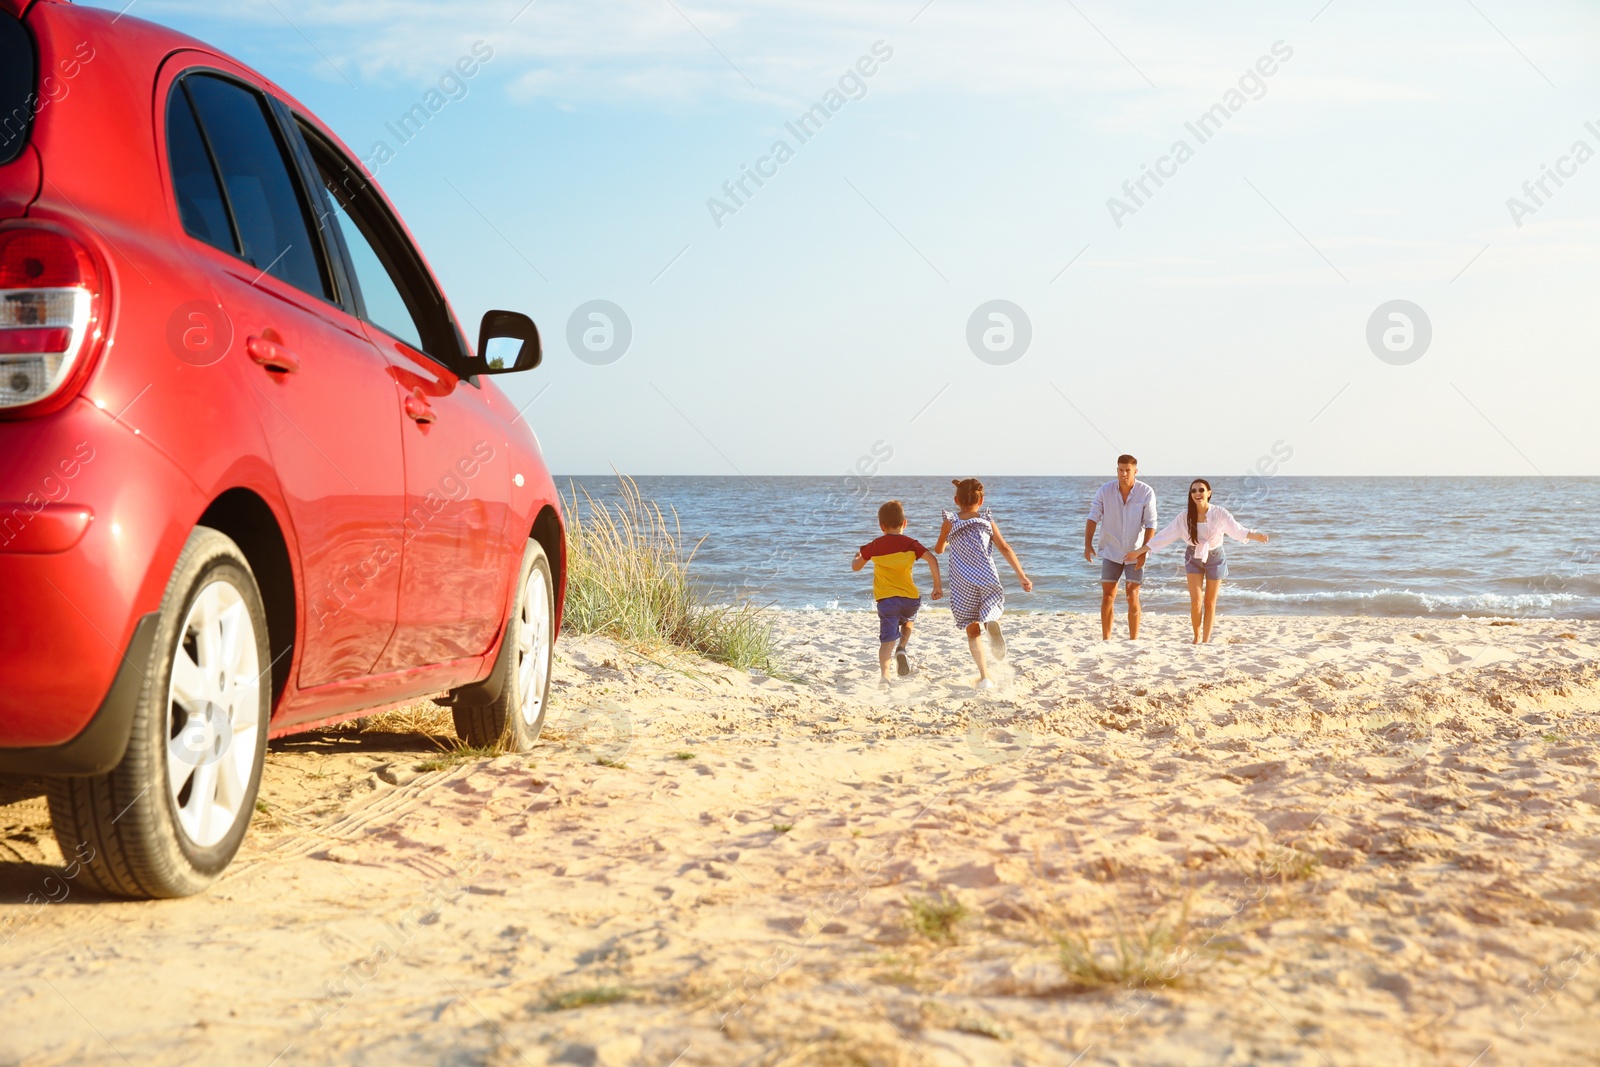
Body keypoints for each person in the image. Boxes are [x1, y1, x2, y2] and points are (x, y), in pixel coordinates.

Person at [1125, 478, 1269, 644]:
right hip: (1193, 557)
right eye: (1193, 491)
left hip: (1215, 557)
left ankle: (1206, 640)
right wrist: (1139, 552)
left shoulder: (1219, 513)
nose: (1197, 493)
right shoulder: (1184, 516)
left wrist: (1255, 536)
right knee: (1196, 601)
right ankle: (1196, 637)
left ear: (1209, 493)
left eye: (1201, 490)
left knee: (1209, 602)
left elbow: (1236, 530)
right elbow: (1164, 536)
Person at [935, 478, 1032, 691]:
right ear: (982, 500)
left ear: (956, 500)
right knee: (989, 611)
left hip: (962, 581)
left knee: (971, 628)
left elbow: (939, 549)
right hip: (987, 576)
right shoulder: (986, 521)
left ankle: (985, 676)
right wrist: (1022, 576)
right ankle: (991, 624)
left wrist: (949, 538)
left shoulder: (950, 522)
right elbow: (1005, 547)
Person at [852, 500, 942, 686]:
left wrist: (856, 557)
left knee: (886, 641)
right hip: (910, 598)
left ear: (881, 526)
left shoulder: (875, 545)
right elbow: (932, 559)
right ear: (905, 523)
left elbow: (856, 568)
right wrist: (937, 586)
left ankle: (885, 676)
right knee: (909, 620)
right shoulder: (911, 544)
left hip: (886, 602)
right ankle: (902, 648)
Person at [1084, 455, 1157, 641]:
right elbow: (1093, 516)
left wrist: (1143, 552)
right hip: (1111, 551)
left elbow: (1151, 523)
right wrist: (1087, 544)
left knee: (1132, 595)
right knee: (1108, 595)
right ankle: (1106, 639)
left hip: (1135, 552)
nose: (1123, 474)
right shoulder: (1105, 491)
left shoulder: (1146, 492)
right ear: (1117, 470)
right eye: (1120, 470)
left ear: (1135, 471)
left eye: (1127, 470)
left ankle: (1133, 640)